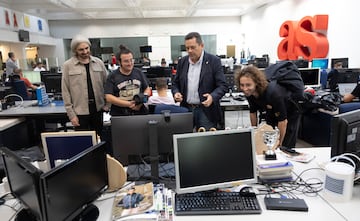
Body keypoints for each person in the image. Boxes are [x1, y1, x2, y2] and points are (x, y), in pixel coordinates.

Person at [234, 65, 301, 148]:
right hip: (271, 113)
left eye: (248, 85)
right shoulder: (250, 93)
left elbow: (283, 122)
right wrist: (254, 132)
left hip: (289, 115)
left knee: (284, 147)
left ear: (256, 83)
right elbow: (253, 112)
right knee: (266, 143)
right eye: (242, 85)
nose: (245, 88)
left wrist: (278, 143)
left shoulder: (273, 94)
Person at [171, 32, 227, 130]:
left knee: (206, 142)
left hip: (206, 111)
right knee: (184, 140)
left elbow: (222, 85)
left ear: (202, 45)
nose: (189, 51)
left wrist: (212, 97)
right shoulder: (182, 62)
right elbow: (175, 83)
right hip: (186, 109)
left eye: (193, 47)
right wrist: (176, 93)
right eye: (187, 48)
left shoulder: (214, 61)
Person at [61, 35, 107, 137]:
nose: (85, 52)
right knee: (84, 143)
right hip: (80, 112)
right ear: (75, 51)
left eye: (87, 48)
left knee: (100, 141)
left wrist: (107, 105)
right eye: (81, 49)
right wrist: (71, 115)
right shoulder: (68, 66)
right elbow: (65, 91)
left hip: (98, 110)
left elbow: (107, 85)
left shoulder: (99, 63)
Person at [105, 45, 151, 116]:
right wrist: (128, 104)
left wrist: (142, 101)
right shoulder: (112, 76)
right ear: (119, 63)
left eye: (131, 60)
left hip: (140, 112)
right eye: (126, 61)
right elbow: (108, 97)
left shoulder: (139, 72)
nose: (130, 63)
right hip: (120, 114)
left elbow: (147, 89)